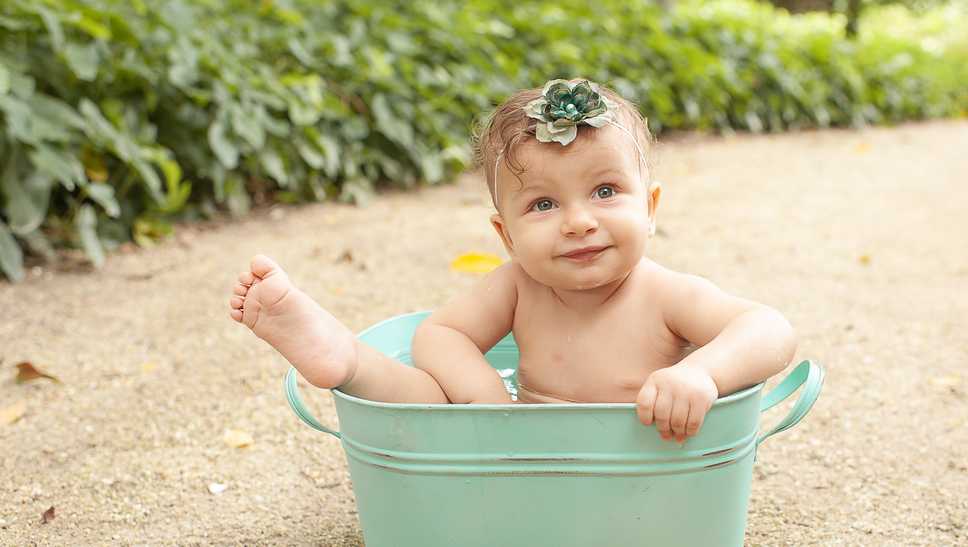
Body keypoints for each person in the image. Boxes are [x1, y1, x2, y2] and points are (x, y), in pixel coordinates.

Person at [230, 79, 797, 442]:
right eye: (543, 204)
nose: (579, 221)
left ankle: (356, 363)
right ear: (506, 236)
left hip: (639, 463)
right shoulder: (518, 286)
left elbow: (769, 330)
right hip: (520, 453)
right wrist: (485, 399)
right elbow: (440, 334)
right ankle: (347, 361)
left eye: (604, 191)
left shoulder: (667, 296)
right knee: (435, 398)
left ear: (649, 209)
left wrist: (699, 373)